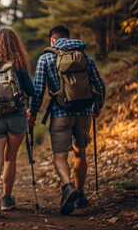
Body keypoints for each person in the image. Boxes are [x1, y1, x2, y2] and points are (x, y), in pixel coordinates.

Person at [28, 25, 105, 215]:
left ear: (52, 40)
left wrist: (33, 112)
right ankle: (80, 195)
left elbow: (37, 90)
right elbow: (100, 86)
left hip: (60, 113)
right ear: (68, 38)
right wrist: (97, 107)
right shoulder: (86, 57)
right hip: (84, 112)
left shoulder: (46, 58)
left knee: (60, 156)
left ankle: (68, 186)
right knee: (81, 153)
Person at [0, 28, 35, 216]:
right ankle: (7, 199)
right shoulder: (18, 65)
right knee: (11, 158)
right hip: (17, 116)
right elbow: (31, 90)